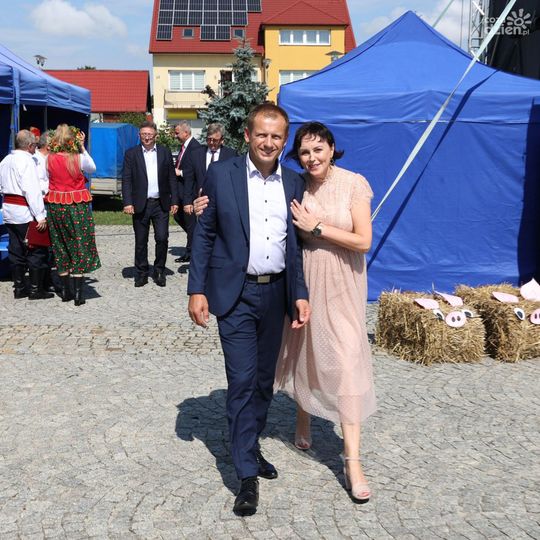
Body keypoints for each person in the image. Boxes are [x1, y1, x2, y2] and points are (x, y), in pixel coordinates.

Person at [187, 104, 311, 517]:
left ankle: (250, 443)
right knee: (240, 380)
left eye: (276, 136)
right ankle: (245, 474)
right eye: (262, 134)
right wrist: (196, 289)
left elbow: (295, 247)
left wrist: (299, 292)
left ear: (284, 140)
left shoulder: (293, 182)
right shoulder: (221, 174)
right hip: (235, 294)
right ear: (247, 135)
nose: (268, 142)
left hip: (275, 294)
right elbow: (205, 235)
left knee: (262, 382)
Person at [274, 121, 376, 504]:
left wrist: (317, 227)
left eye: (318, 149)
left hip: (345, 282)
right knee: (305, 350)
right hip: (307, 279)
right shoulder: (295, 185)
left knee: (347, 363)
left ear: (332, 149)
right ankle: (303, 415)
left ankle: (352, 462)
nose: (312, 157)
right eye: (304, 151)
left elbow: (363, 241)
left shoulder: (353, 184)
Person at [45, 124, 101, 305]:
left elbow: (44, 181)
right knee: (79, 245)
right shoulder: (78, 158)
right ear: (73, 139)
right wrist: (82, 147)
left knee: (60, 245)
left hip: (55, 206)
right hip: (76, 206)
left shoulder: (49, 158)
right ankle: (78, 294)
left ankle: (66, 292)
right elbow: (92, 168)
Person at [122, 121, 179, 287]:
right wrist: (127, 202)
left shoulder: (164, 152)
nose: (147, 137)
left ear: (156, 136)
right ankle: (141, 272)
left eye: (150, 134)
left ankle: (159, 270)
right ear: (139, 135)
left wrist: (174, 200)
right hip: (140, 203)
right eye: (143, 134)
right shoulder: (131, 154)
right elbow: (126, 179)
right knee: (141, 240)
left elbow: (171, 178)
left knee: (162, 238)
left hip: (160, 203)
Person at [0, 130, 53, 300]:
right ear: (30, 146)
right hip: (24, 211)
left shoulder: (5, 160)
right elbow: (32, 190)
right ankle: (36, 289)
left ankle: (19, 287)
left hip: (9, 210)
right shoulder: (27, 161)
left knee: (16, 249)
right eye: (34, 145)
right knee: (35, 249)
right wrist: (40, 215)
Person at [181, 123, 237, 260]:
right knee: (199, 233)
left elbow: (234, 180)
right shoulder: (196, 154)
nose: (211, 143)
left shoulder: (231, 155)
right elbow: (189, 179)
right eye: (209, 139)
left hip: (222, 203)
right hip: (200, 203)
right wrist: (187, 201)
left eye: (215, 140)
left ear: (222, 140)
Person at [172, 121, 202, 263]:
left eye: (177, 133)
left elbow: (196, 170)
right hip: (181, 190)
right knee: (178, 216)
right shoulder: (184, 146)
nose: (175, 135)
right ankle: (196, 240)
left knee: (190, 222)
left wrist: (181, 172)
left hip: (190, 191)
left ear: (186, 132)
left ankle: (190, 252)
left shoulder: (195, 147)